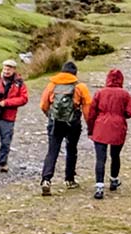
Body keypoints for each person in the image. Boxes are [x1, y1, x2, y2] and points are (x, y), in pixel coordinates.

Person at [39, 60, 92, 196]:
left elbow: (43, 105)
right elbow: (87, 109)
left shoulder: (52, 85)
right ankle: (69, 179)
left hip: (55, 122)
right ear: (75, 73)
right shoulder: (80, 87)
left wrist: (50, 116)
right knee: (71, 149)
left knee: (53, 150)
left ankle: (46, 180)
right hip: (73, 123)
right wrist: (90, 126)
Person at [87, 69, 131, 200]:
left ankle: (99, 186)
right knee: (115, 155)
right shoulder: (125, 94)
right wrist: (121, 115)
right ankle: (114, 180)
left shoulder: (100, 93)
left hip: (100, 127)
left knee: (100, 158)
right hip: (118, 127)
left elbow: (91, 113)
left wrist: (91, 129)